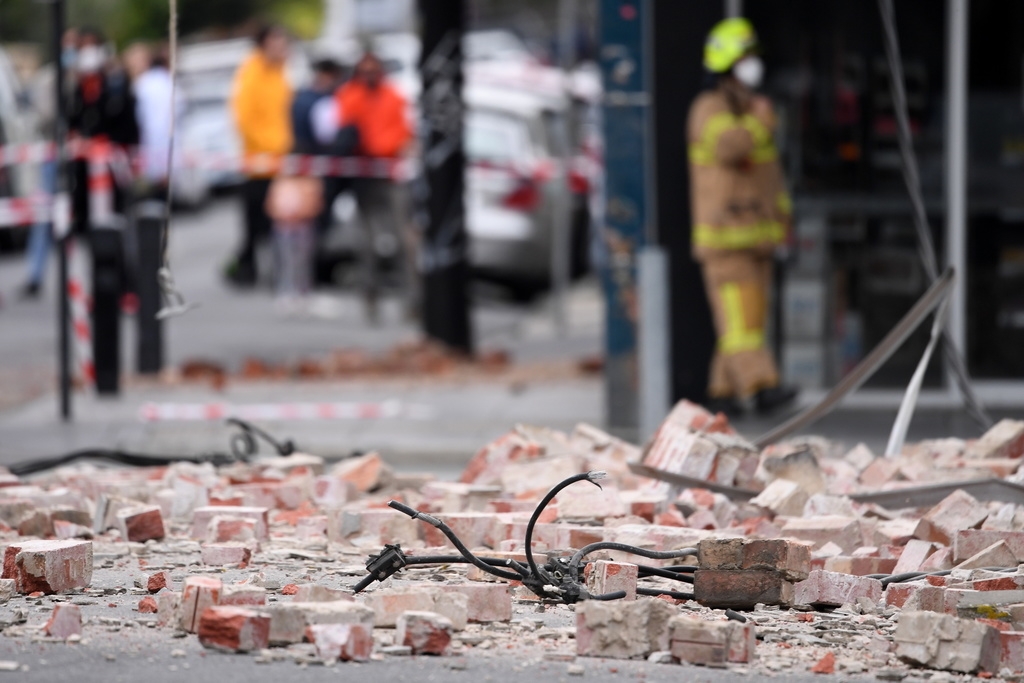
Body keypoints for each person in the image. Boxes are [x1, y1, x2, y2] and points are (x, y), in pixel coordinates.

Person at [687, 17, 798, 416]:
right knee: (741, 326)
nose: (753, 65)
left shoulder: (750, 109)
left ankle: (721, 393)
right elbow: (729, 147)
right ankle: (762, 385)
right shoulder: (709, 109)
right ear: (727, 66)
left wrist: (784, 221)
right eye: (745, 58)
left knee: (743, 319)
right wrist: (760, 121)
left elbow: (770, 180)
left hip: (757, 240)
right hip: (726, 243)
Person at [334, 51, 413, 321]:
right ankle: (370, 298)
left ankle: (411, 301)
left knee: (404, 239)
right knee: (366, 242)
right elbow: (346, 128)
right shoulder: (350, 95)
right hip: (363, 176)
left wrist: (383, 151)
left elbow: (402, 133)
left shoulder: (393, 96)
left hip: (389, 174)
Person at [227, 24, 293, 287]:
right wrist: (268, 148)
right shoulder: (252, 72)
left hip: (278, 159)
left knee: (271, 222)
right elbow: (245, 118)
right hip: (259, 161)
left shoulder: (280, 73)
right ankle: (246, 267)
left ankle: (255, 267)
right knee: (256, 222)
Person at [17, 28, 78, 299]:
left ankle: (84, 277)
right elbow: (45, 116)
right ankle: (35, 274)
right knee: (45, 217)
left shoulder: (86, 77)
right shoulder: (51, 79)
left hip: (83, 157)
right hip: (55, 156)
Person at [130, 43, 177, 198]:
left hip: (155, 154)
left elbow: (156, 126)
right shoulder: (160, 83)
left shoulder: (146, 85)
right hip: (158, 155)